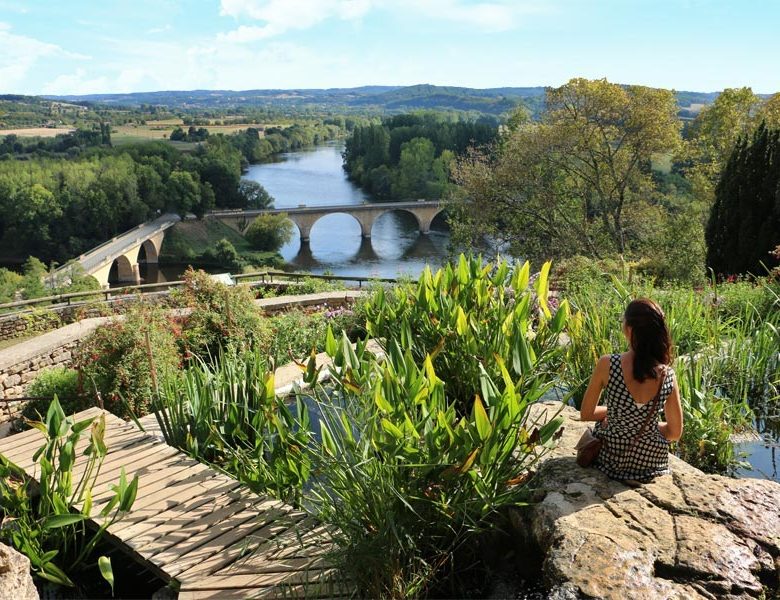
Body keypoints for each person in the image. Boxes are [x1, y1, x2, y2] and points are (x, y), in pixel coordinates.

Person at [579, 298, 683, 484]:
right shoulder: (668, 375)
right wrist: (645, 423)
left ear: (629, 329)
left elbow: (586, 413)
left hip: (612, 460)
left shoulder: (608, 364)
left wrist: (620, 416)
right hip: (651, 462)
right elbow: (674, 433)